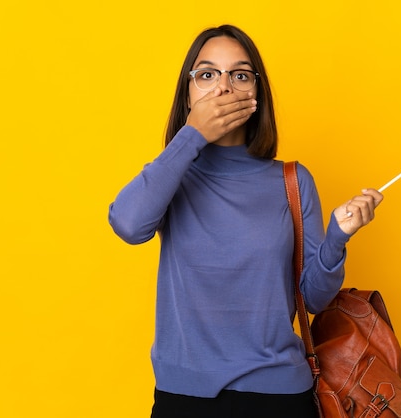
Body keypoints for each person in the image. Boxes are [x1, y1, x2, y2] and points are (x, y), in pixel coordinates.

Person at [108, 24, 383, 418]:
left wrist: (338, 239)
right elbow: (128, 225)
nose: (223, 88)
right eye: (206, 75)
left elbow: (315, 300)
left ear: (256, 93)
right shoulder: (172, 177)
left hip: (278, 397)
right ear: (187, 94)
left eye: (239, 75)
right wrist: (192, 136)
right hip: (183, 399)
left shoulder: (292, 180)